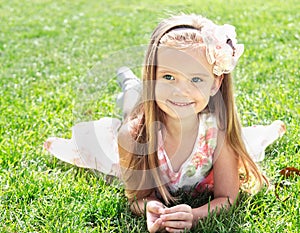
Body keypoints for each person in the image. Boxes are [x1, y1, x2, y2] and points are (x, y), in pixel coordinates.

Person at [44, 14, 286, 232]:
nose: (181, 91)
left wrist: (195, 215)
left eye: (196, 79)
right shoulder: (133, 137)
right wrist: (150, 207)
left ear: (215, 83)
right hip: (143, 121)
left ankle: (130, 85)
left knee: (250, 142)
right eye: (168, 76)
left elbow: (227, 198)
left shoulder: (219, 135)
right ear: (152, 77)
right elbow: (138, 197)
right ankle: (129, 83)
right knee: (113, 129)